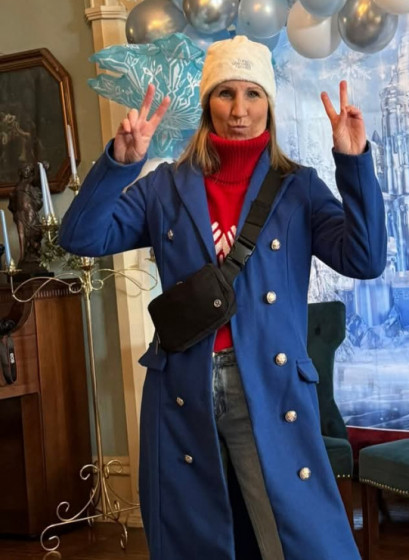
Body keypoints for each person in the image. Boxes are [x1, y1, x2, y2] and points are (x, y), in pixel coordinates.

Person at [59, 36, 386, 560]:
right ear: (207, 102)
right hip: (183, 383)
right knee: (197, 536)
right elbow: (81, 237)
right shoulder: (164, 186)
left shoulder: (297, 188)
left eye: (253, 94)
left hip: (267, 382)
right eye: (226, 93)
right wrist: (120, 163)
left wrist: (353, 164)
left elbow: (365, 259)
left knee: (290, 535)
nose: (239, 111)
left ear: (268, 104)